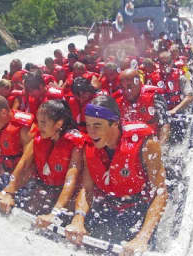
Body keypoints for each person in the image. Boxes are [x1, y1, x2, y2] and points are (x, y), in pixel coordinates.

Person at [65, 96, 168, 255]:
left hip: (138, 208)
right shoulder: (90, 145)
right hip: (107, 205)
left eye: (97, 125)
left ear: (114, 124)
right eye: (88, 125)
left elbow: (160, 192)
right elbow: (87, 188)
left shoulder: (146, 143)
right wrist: (78, 218)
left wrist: (143, 236)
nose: (91, 132)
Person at [117, 68, 170, 145]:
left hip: (152, 144)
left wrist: (160, 147)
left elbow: (165, 124)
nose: (126, 91)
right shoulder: (118, 102)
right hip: (129, 146)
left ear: (139, 83)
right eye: (123, 88)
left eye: (129, 86)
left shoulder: (154, 97)